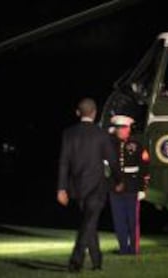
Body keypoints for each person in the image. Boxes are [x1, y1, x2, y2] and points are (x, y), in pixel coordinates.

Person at [57, 98, 120, 272]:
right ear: (95, 113)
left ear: (78, 113)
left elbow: (63, 163)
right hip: (97, 187)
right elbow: (113, 161)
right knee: (88, 224)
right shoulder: (101, 134)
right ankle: (76, 260)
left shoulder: (68, 134)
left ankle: (97, 260)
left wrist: (61, 188)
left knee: (88, 222)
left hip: (77, 187)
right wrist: (119, 180)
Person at [108, 115, 149, 255]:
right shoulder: (110, 144)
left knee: (132, 220)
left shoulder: (137, 144)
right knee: (119, 220)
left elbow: (144, 167)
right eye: (118, 128)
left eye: (123, 128)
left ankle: (134, 249)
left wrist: (143, 188)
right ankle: (123, 248)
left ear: (128, 129)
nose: (120, 130)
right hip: (115, 187)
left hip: (132, 186)